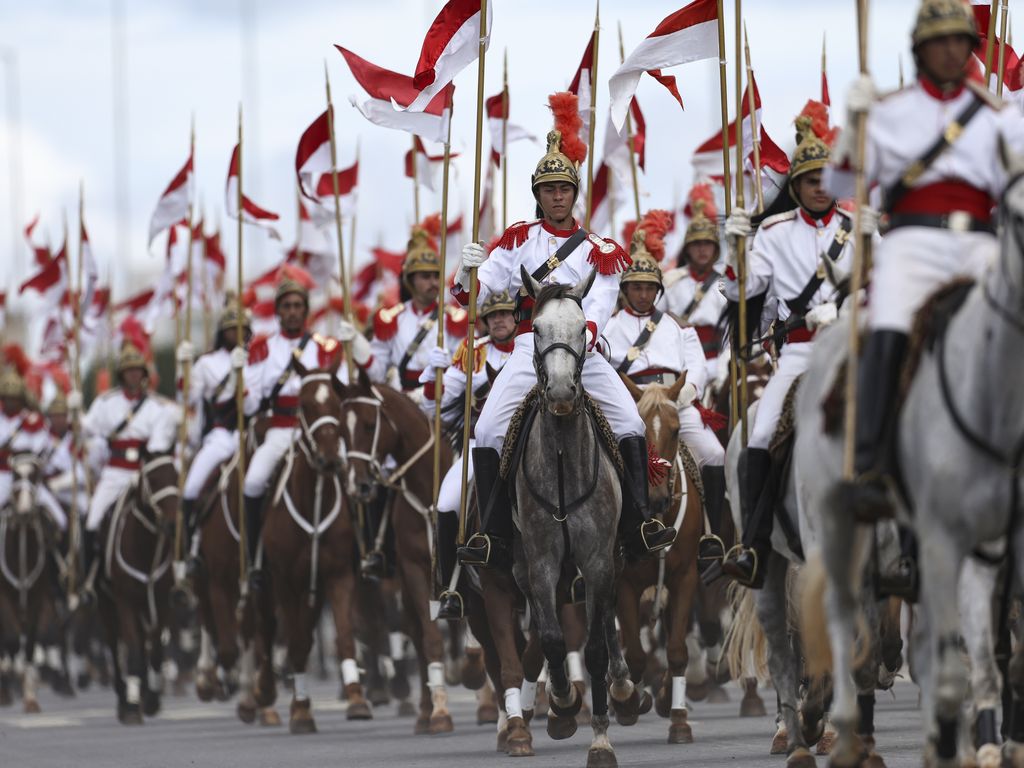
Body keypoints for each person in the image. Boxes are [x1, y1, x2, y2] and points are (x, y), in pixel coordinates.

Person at [831, 0, 1024, 523]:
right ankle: (871, 466)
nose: (951, 51)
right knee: (888, 322)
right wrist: (853, 128)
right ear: (920, 50)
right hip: (911, 242)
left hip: (980, 242)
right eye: (940, 41)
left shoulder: (999, 115)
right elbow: (838, 183)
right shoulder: (889, 109)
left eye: (960, 41)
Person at [452, 124, 676, 570]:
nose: (557, 196)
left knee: (631, 422)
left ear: (575, 194)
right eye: (549, 189)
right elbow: (471, 298)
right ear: (538, 194)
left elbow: (600, 305)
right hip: (529, 347)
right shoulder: (518, 239)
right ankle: (494, 535)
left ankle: (637, 525)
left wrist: (577, 343)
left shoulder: (600, 249)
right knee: (488, 429)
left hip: (581, 351)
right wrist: (465, 271)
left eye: (564, 189)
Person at [720, 107, 865, 588]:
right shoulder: (774, 232)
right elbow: (742, 292)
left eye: (826, 179)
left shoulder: (859, 228)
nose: (819, 187)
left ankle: (909, 544)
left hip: (852, 347)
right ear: (797, 186)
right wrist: (735, 251)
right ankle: (754, 545)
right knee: (760, 433)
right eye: (809, 180)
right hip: (800, 353)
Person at [603, 218, 728, 576]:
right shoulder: (609, 327)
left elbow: (697, 365)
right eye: (636, 287)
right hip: (631, 403)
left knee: (714, 453)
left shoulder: (677, 326)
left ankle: (711, 537)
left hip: (675, 401)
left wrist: (685, 393)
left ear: (658, 291)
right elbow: (602, 370)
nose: (643, 294)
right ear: (626, 289)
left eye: (649, 288)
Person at [341, 226, 467, 578]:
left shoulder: (455, 319)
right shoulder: (390, 319)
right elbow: (375, 371)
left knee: (468, 459)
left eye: (434, 276)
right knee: (379, 469)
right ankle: (379, 548)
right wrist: (358, 348)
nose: (431, 282)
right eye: (423, 276)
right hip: (401, 404)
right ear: (409, 281)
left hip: (445, 402)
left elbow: (465, 363)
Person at [241, 276, 348, 591]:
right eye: (286, 306)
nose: (292, 311)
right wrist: (239, 380)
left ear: (306, 310)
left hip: (320, 432)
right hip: (281, 429)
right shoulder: (262, 348)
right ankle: (255, 559)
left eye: (298, 305)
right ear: (278, 311)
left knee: (352, 472)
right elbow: (250, 405)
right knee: (253, 481)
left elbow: (341, 392)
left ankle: (364, 549)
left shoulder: (326, 348)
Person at [420, 290, 517, 619]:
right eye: (492, 315)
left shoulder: (532, 345)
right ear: (485, 321)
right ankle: (452, 589)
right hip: (480, 445)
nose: (499, 320)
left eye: (505, 313)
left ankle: (577, 573)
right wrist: (433, 378)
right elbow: (437, 405)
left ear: (515, 316)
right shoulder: (472, 351)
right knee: (446, 504)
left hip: (528, 442)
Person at [80, 344, 179, 593]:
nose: (133, 375)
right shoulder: (105, 402)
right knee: (92, 519)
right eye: (128, 370)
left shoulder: (159, 407)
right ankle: (90, 580)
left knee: (171, 513)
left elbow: (158, 446)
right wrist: (74, 414)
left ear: (144, 374)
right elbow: (87, 430)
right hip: (115, 472)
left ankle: (179, 574)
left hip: (145, 473)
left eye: (137, 370)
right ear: (121, 374)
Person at [177, 305, 251, 579]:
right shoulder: (207, 363)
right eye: (231, 328)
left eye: (241, 328)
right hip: (221, 435)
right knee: (191, 488)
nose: (236, 333)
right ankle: (190, 549)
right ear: (222, 332)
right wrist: (183, 369)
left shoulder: (258, 355)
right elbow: (188, 397)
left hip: (250, 431)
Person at [661, 197, 728, 386]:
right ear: (687, 249)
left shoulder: (727, 281)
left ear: (715, 248)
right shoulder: (671, 280)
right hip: (680, 360)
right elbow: (655, 318)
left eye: (707, 243)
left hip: (718, 359)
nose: (702, 249)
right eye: (697, 244)